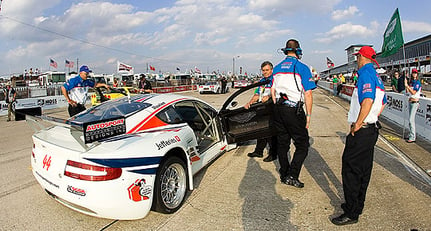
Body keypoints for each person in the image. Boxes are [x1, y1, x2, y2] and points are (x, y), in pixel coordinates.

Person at [331, 46, 387, 226]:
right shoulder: (377, 76)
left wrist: (358, 123)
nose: (356, 60)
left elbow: (368, 100)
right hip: (372, 129)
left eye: (358, 57)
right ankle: (357, 205)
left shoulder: (365, 74)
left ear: (362, 57)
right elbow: (383, 102)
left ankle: (351, 212)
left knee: (351, 170)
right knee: (363, 170)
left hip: (362, 131)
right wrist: (371, 118)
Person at [271, 39, 316, 188]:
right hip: (293, 109)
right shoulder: (301, 67)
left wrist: (277, 105)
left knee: (282, 143)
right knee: (302, 144)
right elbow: (308, 93)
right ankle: (292, 175)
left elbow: (272, 91)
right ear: (298, 51)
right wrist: (308, 115)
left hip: (278, 108)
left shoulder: (276, 68)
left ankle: (284, 173)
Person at [245, 61, 278, 162]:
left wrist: (269, 96)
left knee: (270, 132)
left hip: (272, 108)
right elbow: (256, 94)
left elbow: (278, 92)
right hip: (261, 108)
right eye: (263, 70)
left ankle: (273, 153)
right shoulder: (262, 81)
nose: (265, 72)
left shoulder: (275, 80)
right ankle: (258, 151)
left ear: (271, 70)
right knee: (260, 130)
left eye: (267, 70)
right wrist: (249, 103)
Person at [405, 68, 422, 143]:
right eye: (413, 73)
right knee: (410, 120)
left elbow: (414, 92)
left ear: (417, 74)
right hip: (410, 102)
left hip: (415, 103)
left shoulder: (417, 83)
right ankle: (410, 134)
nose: (414, 74)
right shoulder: (411, 82)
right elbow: (407, 92)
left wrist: (407, 86)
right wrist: (406, 85)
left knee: (411, 120)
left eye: (415, 73)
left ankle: (412, 136)